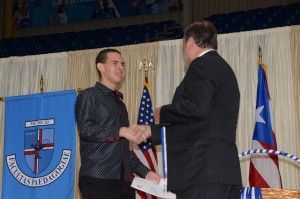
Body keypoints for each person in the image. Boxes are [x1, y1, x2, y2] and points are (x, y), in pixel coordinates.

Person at [133, 20, 242, 199]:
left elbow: (196, 109)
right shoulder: (223, 68)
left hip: (200, 173)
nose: (183, 50)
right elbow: (197, 124)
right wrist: (151, 132)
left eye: (183, 44)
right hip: (219, 173)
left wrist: (163, 112)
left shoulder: (202, 65)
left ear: (190, 41)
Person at [75, 48, 161, 199]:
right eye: (115, 63)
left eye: (122, 64)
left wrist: (145, 172)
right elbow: (85, 129)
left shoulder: (121, 104)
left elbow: (122, 149)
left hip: (124, 182)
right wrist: (120, 130)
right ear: (100, 67)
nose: (121, 67)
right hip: (98, 178)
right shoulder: (88, 95)